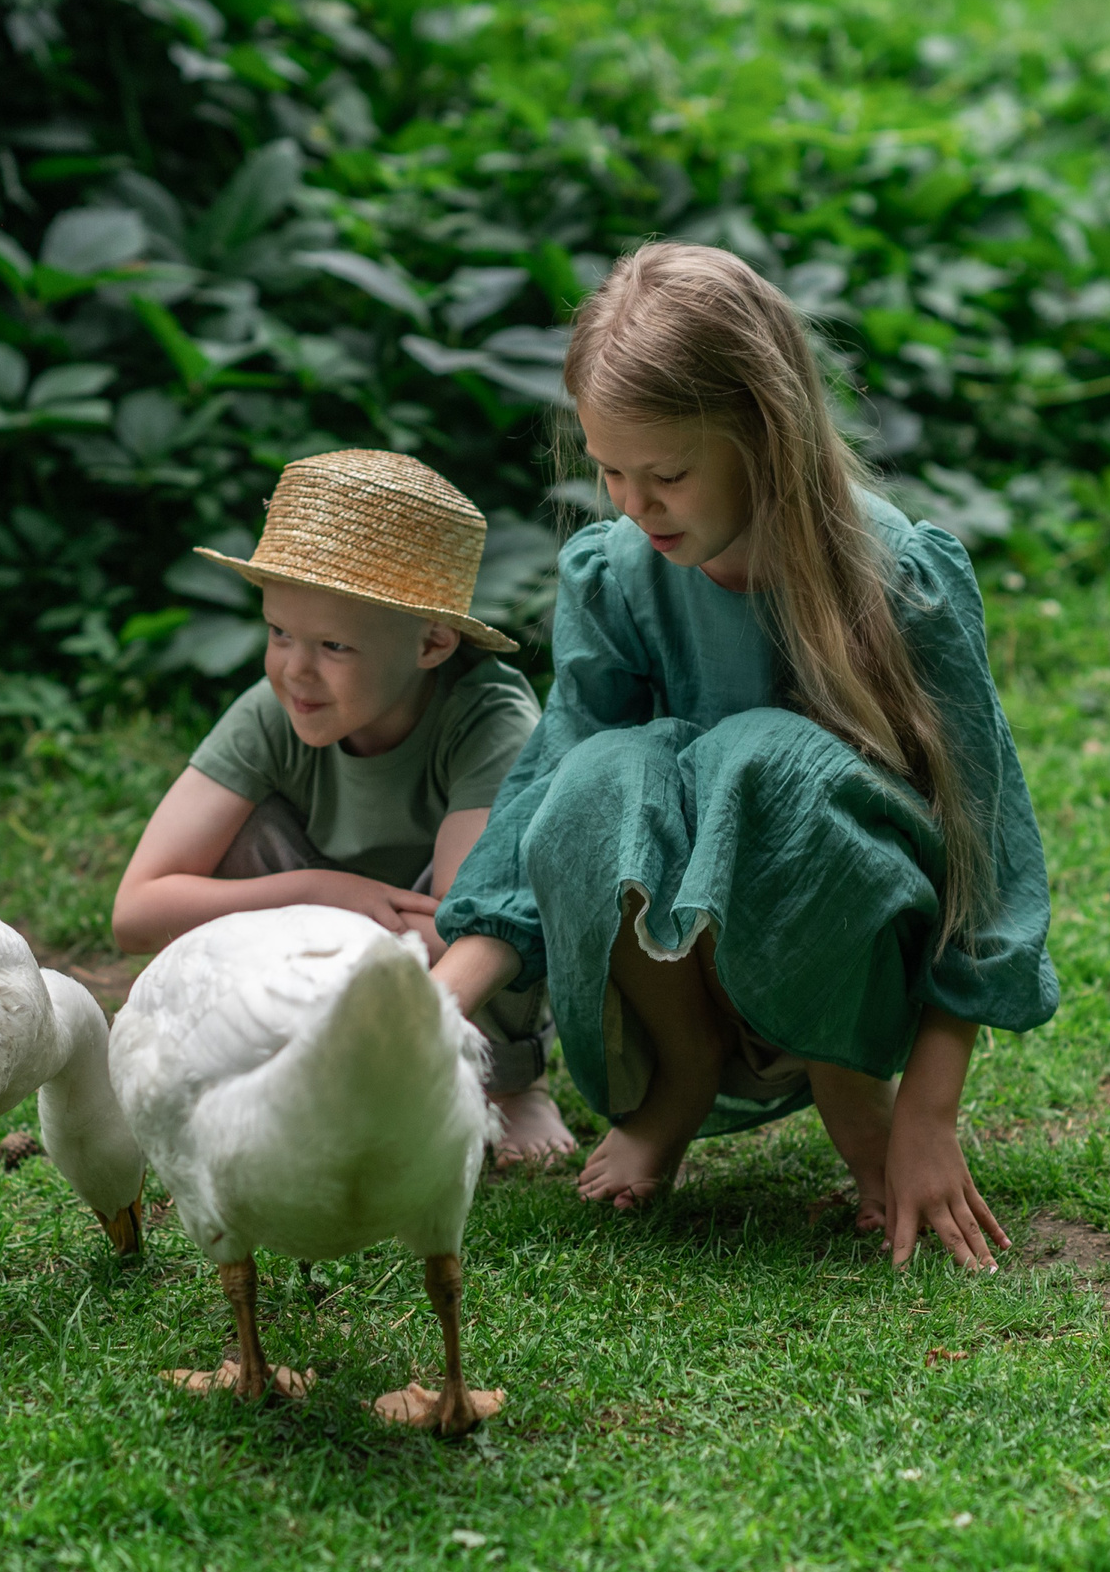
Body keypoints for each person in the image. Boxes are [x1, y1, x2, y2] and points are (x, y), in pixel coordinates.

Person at [428, 243, 1058, 1268]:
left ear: (766, 435)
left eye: (666, 474)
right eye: (607, 469)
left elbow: (987, 854)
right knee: (598, 770)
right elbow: (553, 785)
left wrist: (928, 1112)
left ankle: (853, 1094)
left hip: (853, 967)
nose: (632, 502)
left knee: (760, 757)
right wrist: (428, 1006)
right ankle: (678, 1079)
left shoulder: (898, 575)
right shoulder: (617, 573)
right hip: (686, 980)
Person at [112, 449, 574, 1162]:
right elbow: (137, 910)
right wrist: (319, 892)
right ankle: (274, 1065)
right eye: (278, 632)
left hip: (438, 968)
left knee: (505, 895)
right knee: (243, 839)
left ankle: (508, 1085)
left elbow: (468, 928)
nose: (295, 668)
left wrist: (311, 925)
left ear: (432, 640)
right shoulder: (273, 710)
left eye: (334, 644)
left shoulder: (485, 716)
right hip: (332, 941)